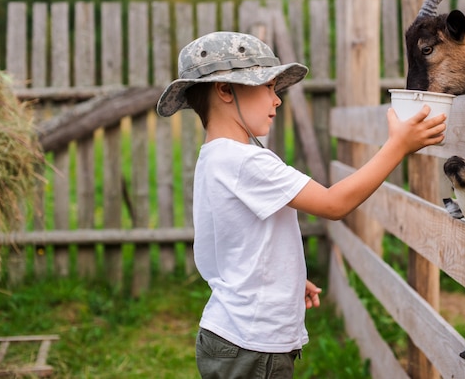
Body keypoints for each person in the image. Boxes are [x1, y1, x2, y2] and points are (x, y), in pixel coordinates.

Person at [157, 31, 446, 379]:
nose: (277, 100)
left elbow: (236, 242)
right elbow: (333, 203)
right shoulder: (245, 162)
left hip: (235, 333)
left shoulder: (216, 157)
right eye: (267, 87)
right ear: (224, 90)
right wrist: (397, 147)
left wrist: (287, 278)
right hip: (254, 346)